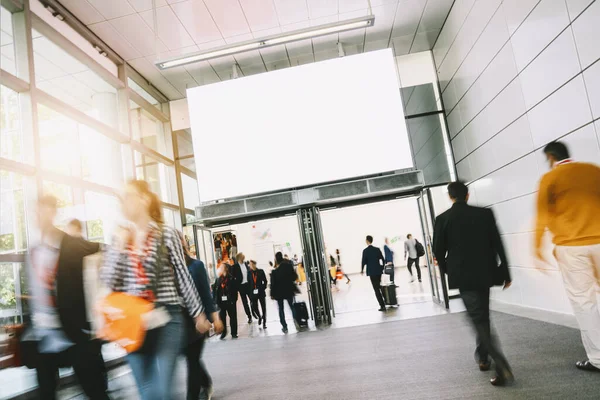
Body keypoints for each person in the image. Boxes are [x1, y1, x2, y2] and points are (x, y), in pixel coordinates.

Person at [102, 180, 211, 399]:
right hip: (134, 321)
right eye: (120, 198)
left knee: (163, 387)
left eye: (128, 196)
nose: (123, 202)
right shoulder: (121, 238)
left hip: (167, 317)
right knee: (147, 390)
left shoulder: (166, 234)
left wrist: (198, 314)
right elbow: (108, 282)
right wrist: (118, 248)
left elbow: (182, 275)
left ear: (144, 198)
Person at [28, 196, 109, 400]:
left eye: (43, 210)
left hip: (73, 332)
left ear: (53, 212)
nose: (39, 216)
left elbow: (103, 251)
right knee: (46, 392)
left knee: (94, 390)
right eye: (36, 211)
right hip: (44, 335)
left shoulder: (70, 245)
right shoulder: (34, 251)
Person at [433, 181, 513, 386]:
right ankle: (483, 357)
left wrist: (447, 271)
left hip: (463, 275)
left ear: (451, 197)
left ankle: (501, 364)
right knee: (482, 314)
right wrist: (505, 271)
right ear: (467, 195)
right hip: (485, 272)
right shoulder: (485, 214)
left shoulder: (443, 219)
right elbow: (497, 242)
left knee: (478, 318)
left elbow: (438, 252)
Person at [534, 141, 600, 372]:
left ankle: (598, 359)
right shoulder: (593, 170)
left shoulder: (549, 179)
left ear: (551, 157)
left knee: (584, 301)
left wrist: (537, 248)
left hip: (571, 248)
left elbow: (542, 216)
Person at [179, 231, 223, 400]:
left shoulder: (196, 266)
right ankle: (206, 381)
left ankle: (194, 395)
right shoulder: (168, 267)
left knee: (192, 360)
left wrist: (216, 319)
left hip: (198, 321)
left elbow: (206, 295)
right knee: (192, 359)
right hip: (178, 323)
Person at [270, 252, 298, 333]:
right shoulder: (289, 266)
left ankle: (284, 326)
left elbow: (273, 284)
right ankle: (296, 321)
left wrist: (272, 294)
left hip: (279, 292)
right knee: (292, 306)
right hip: (289, 289)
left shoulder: (275, 271)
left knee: (281, 309)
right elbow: (294, 277)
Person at [361, 236, 386, 312]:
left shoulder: (365, 251)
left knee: (376, 289)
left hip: (372, 272)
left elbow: (363, 262)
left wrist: (362, 270)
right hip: (378, 271)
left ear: (367, 241)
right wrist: (382, 267)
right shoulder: (377, 249)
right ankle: (386, 300)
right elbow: (383, 259)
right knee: (380, 286)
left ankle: (382, 306)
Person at [214, 264, 239, 339]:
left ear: (226, 269)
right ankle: (224, 332)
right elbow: (215, 291)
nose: (219, 268)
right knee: (222, 317)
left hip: (230, 301)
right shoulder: (218, 279)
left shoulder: (231, 279)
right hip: (221, 302)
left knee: (233, 317)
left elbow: (235, 291)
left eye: (221, 267)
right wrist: (216, 301)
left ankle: (234, 333)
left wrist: (233, 300)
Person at [232, 253, 253, 323]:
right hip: (241, 286)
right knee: (245, 302)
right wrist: (236, 285)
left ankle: (254, 312)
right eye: (242, 256)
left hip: (248, 285)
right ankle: (249, 316)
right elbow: (232, 277)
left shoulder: (246, 264)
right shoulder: (235, 267)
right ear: (239, 258)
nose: (243, 257)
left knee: (252, 300)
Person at [248, 260, 268, 329]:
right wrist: (250, 293)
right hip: (253, 293)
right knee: (254, 307)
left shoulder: (260, 271)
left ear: (254, 264)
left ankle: (264, 323)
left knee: (263, 308)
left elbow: (265, 281)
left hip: (261, 292)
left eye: (251, 264)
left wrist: (263, 288)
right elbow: (249, 283)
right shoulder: (249, 273)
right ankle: (259, 317)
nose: (250, 266)